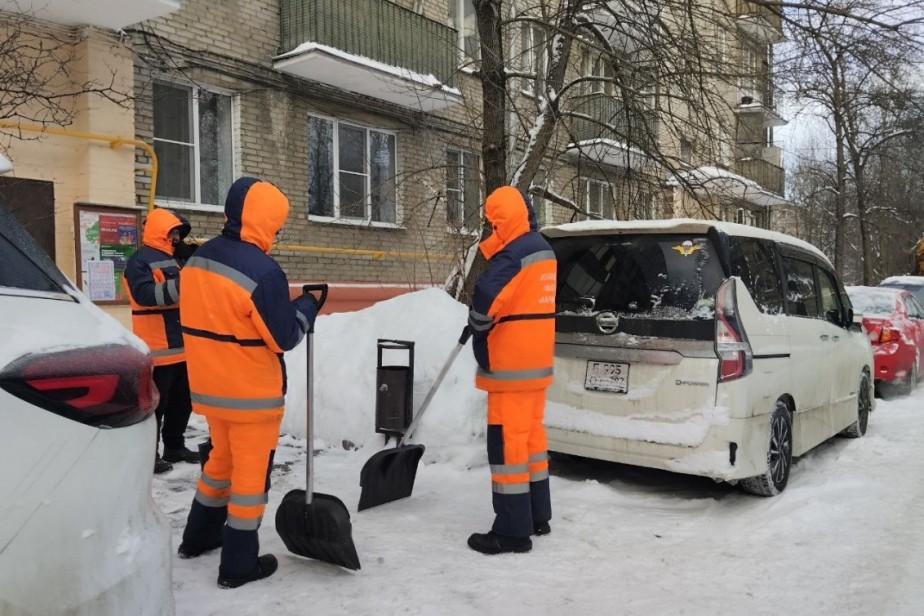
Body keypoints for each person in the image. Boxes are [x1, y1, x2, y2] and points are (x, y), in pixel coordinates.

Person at [176, 177, 318, 589]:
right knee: (250, 481)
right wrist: (307, 307)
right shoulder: (263, 271)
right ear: (266, 221)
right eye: (276, 225)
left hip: (210, 389)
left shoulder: (200, 259)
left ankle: (197, 538)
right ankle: (239, 565)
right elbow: (284, 336)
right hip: (251, 395)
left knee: (219, 464)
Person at [466, 185, 557, 555]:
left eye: (493, 222)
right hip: (535, 367)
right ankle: (537, 516)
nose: (491, 229)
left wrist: (477, 324)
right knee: (532, 442)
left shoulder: (513, 255)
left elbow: (487, 295)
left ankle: (511, 531)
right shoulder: (542, 248)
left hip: (509, 368)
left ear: (504, 218)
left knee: (507, 449)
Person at [123, 207, 198, 474]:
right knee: (156, 407)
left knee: (182, 403)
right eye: (173, 232)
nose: (177, 237)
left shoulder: (177, 259)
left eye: (178, 232)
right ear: (160, 231)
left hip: (184, 348)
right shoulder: (140, 261)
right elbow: (145, 295)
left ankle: (175, 446)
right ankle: (148, 455)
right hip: (158, 350)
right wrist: (187, 281)